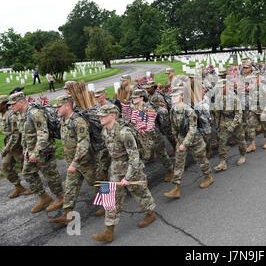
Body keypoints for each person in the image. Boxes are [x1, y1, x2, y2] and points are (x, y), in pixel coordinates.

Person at [91, 104, 157, 243]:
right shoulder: (105, 131)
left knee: (140, 192)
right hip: (115, 168)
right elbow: (108, 153)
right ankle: (109, 231)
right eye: (100, 115)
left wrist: (128, 177)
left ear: (113, 115)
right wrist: (103, 169)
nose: (100, 117)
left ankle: (151, 213)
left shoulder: (124, 132)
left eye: (103, 115)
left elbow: (134, 157)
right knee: (111, 198)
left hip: (131, 168)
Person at [8, 92, 64, 214]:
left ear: (22, 102)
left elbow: (43, 134)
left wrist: (36, 152)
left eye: (13, 104)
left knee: (51, 176)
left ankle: (61, 198)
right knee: (27, 173)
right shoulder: (21, 114)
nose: (11, 106)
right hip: (31, 151)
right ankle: (44, 198)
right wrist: (25, 148)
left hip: (43, 150)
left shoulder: (35, 113)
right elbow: (24, 134)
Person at [49, 96, 100, 225]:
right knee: (70, 187)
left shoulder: (78, 121)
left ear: (67, 106)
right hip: (74, 163)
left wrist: (75, 162)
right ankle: (67, 214)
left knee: (98, 183)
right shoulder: (63, 120)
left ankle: (110, 208)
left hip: (86, 162)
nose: (56, 109)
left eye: (59, 106)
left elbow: (84, 143)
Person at [163, 87, 214, 199]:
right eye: (172, 96)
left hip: (194, 140)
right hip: (182, 140)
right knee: (179, 163)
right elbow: (173, 127)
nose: (173, 98)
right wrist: (178, 140)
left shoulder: (189, 111)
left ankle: (208, 177)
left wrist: (184, 144)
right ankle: (176, 188)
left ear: (181, 96)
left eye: (175, 96)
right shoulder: (173, 110)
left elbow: (193, 129)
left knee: (201, 160)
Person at [0, 95, 32, 199]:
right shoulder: (2, 115)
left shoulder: (11, 115)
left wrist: (6, 149)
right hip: (10, 145)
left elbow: (15, 135)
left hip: (17, 145)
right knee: (5, 166)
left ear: (4, 105)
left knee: (25, 166)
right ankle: (18, 187)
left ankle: (34, 186)